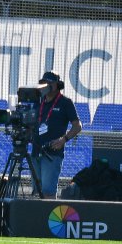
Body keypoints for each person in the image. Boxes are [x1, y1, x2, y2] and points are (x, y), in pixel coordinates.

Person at [31, 71, 82, 199]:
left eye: (50, 83)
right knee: (37, 191)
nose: (46, 85)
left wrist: (63, 139)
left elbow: (77, 125)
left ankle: (47, 218)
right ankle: (36, 218)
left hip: (52, 153)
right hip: (36, 151)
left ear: (57, 85)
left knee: (47, 191)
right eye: (44, 82)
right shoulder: (38, 101)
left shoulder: (65, 102)